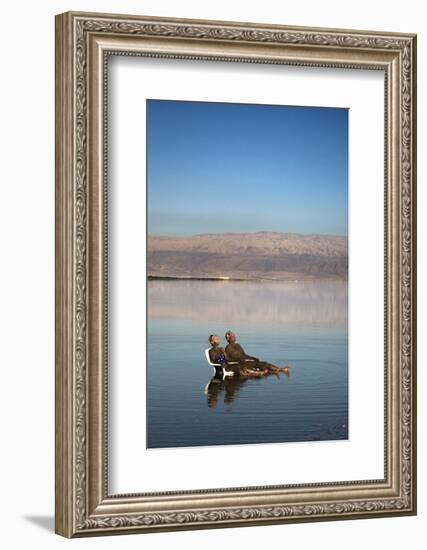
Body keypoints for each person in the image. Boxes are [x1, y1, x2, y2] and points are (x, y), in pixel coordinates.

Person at [224, 330, 291, 374]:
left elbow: (244, 355)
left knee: (263, 362)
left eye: (234, 335)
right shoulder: (228, 347)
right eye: (232, 336)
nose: (234, 337)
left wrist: (253, 358)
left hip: (246, 361)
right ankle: (277, 370)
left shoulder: (238, 345)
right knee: (260, 364)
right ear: (228, 338)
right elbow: (237, 357)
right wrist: (249, 359)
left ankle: (279, 369)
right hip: (240, 363)